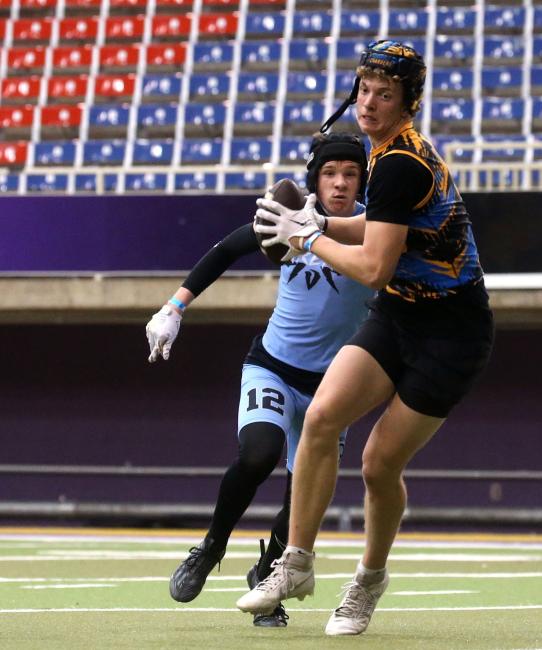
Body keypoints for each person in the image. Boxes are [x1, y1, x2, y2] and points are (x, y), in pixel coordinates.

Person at [237, 39, 494, 636]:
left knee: (379, 464)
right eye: (364, 90)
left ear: (408, 102)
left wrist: (307, 237)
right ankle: (294, 563)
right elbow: (378, 231)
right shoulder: (381, 152)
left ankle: (367, 583)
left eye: (385, 94)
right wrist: (323, 220)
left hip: (452, 333)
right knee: (323, 417)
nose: (370, 103)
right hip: (403, 313)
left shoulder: (400, 162)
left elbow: (375, 265)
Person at [145, 132, 374, 628]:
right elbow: (226, 250)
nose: (340, 183)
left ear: (363, 180)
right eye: (331, 173)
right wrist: (174, 307)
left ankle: (268, 578)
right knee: (258, 453)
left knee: (301, 500)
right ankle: (209, 548)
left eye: (351, 174)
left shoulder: (373, 228)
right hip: (272, 364)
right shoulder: (288, 217)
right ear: (316, 178)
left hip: (333, 385)